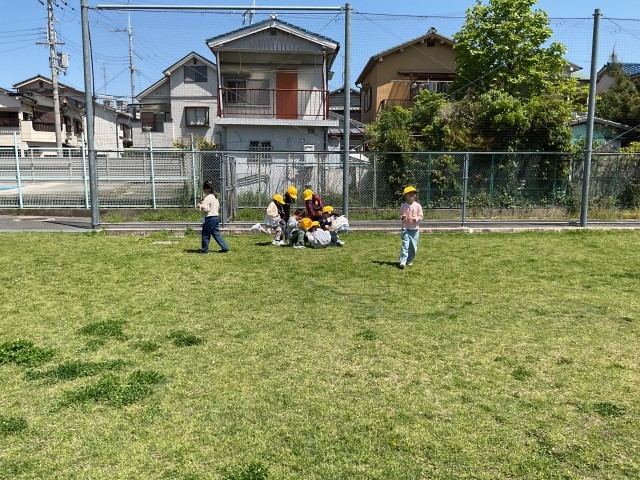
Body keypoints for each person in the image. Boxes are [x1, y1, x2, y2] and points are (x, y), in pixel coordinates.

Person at [196, 180, 229, 254]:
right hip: (216, 217)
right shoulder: (215, 197)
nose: (204, 191)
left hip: (209, 218)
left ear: (207, 189)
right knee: (216, 234)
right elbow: (216, 207)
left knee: (205, 234)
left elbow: (206, 209)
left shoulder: (207, 198)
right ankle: (225, 248)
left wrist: (200, 206)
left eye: (204, 189)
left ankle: (205, 250)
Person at [398, 185, 423, 269]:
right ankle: (403, 261)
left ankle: (409, 260)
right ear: (405, 196)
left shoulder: (418, 206)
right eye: (409, 193)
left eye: (413, 193)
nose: (412, 195)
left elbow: (421, 217)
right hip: (405, 229)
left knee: (413, 247)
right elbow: (400, 215)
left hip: (415, 230)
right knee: (405, 245)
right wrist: (402, 217)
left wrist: (416, 219)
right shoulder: (403, 206)